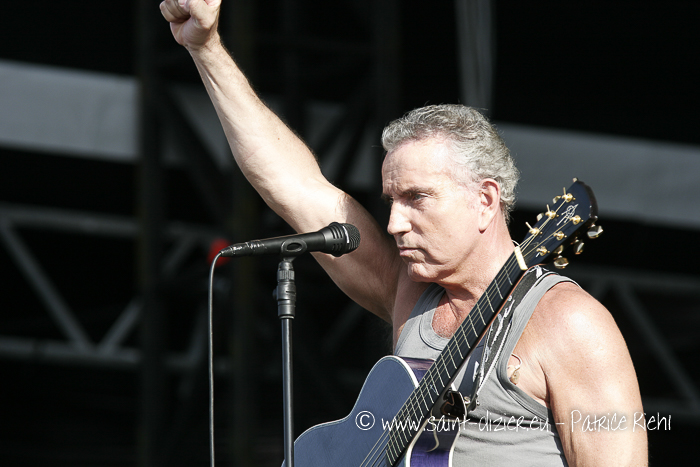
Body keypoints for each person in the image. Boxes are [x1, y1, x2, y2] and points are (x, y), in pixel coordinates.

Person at [160, 1, 648, 465]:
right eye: (391, 201)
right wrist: (206, 48)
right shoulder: (412, 292)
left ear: (485, 200)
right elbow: (294, 187)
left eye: (417, 198)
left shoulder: (570, 324)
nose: (394, 223)